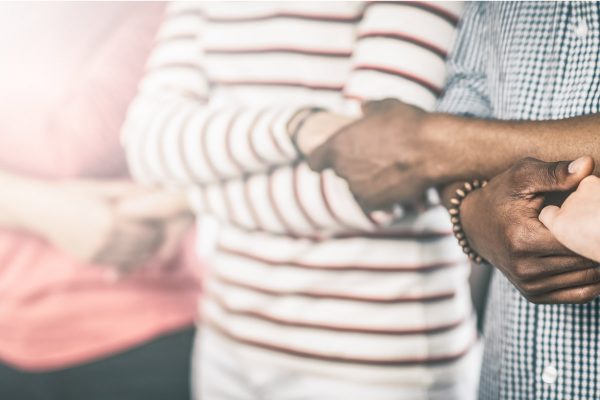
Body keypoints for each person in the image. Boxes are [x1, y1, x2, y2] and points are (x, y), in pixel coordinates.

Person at [122, 2, 481, 399]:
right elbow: (146, 142)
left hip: (374, 358)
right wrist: (296, 127)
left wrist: (188, 198)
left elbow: (372, 186)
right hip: (227, 340)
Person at [308, 2, 600, 398]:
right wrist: (475, 218)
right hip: (508, 378)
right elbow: (462, 110)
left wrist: (429, 143)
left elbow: (390, 168)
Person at [0, 3, 201, 400]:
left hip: (137, 324)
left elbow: (77, 145)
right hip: (10, 327)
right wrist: (42, 206)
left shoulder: (158, 15)